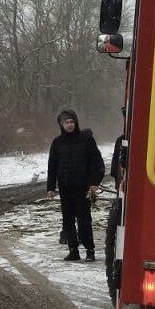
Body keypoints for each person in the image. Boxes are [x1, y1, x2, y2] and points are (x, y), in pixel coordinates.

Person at [47, 109, 105, 261]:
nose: (70, 124)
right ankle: (73, 250)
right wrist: (51, 187)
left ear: (76, 123)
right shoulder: (57, 143)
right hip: (65, 188)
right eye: (66, 122)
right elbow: (52, 166)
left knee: (84, 220)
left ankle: (89, 250)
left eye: (72, 121)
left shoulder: (86, 139)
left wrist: (94, 183)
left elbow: (97, 163)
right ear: (61, 124)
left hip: (83, 188)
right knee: (68, 221)